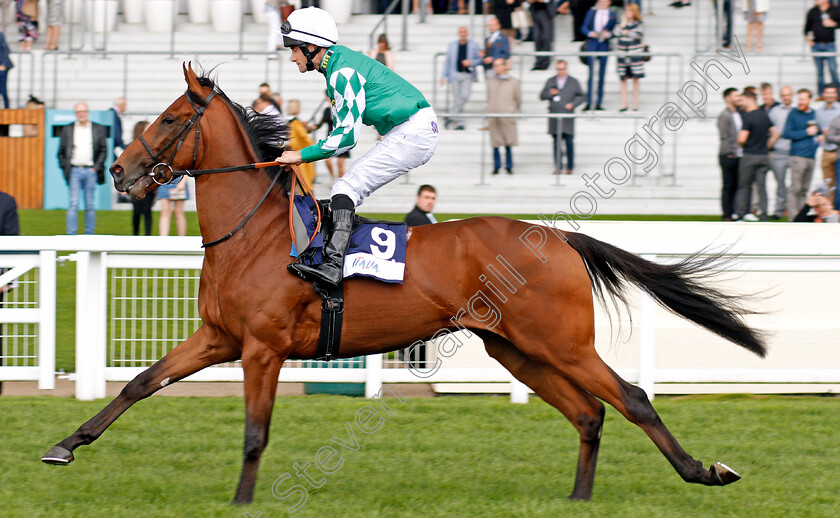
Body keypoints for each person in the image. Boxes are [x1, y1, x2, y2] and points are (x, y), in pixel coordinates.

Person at [276, 7, 438, 286]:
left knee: (346, 187)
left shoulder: (342, 72)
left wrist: (301, 155)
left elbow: (346, 138)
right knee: (345, 188)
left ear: (312, 45)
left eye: (294, 49)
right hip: (410, 128)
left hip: (414, 131)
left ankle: (333, 266)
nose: (292, 57)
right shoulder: (338, 65)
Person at [58, 102, 107, 235]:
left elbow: (103, 150)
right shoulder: (68, 129)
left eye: (83, 111)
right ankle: (71, 235)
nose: (81, 114)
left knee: (89, 204)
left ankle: (89, 235)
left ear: (87, 112)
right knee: (73, 203)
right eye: (78, 112)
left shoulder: (98, 128)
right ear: (75, 113)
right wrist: (65, 167)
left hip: (91, 170)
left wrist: (96, 168)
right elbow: (61, 151)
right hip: (74, 170)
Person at [734, 89, 779, 221]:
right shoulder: (764, 115)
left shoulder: (748, 116)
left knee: (744, 186)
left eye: (742, 100)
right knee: (762, 187)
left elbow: (742, 138)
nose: (741, 103)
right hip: (763, 156)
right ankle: (764, 214)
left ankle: (741, 214)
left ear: (750, 99)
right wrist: (766, 146)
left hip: (749, 155)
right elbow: (775, 133)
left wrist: (745, 145)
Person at [540, 59, 586, 175]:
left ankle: (570, 167)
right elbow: (542, 95)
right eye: (558, 69)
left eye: (562, 69)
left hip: (567, 116)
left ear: (566, 69)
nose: (560, 71)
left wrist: (573, 104)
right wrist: (550, 93)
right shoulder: (551, 81)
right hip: (555, 116)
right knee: (556, 143)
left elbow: (582, 96)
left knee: (569, 142)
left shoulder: (573, 82)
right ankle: (558, 166)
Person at [783, 88, 821, 219]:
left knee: (804, 189)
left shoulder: (815, 114)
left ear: (810, 100)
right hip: (797, 156)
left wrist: (820, 136)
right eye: (799, 99)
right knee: (795, 189)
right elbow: (786, 133)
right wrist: (806, 132)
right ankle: (793, 219)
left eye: (803, 99)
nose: (801, 102)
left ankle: (801, 217)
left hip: (811, 157)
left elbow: (819, 131)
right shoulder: (793, 114)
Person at [440, 25, 480, 130]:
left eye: (464, 32)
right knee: (458, 98)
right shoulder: (452, 45)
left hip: (467, 74)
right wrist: (444, 75)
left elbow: (479, 59)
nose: (463, 34)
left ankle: (450, 115)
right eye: (461, 32)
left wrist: (471, 62)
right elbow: (448, 61)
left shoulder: (474, 45)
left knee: (464, 97)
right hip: (455, 74)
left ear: (467, 33)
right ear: (459, 33)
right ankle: (460, 122)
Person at [487, 57, 521, 175]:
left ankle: (509, 166)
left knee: (508, 142)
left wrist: (510, 109)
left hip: (507, 115)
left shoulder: (513, 81)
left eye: (498, 65)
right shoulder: (490, 81)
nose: (495, 68)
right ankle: (496, 166)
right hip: (494, 115)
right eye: (494, 65)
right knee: (495, 142)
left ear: (504, 66)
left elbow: (518, 99)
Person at [581, 0, 616, 111]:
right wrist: (591, 33)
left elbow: (615, 30)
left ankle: (599, 102)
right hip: (592, 44)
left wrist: (609, 34)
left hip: (604, 45)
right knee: (591, 74)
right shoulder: (591, 13)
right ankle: (589, 101)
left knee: (601, 74)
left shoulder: (612, 15)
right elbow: (584, 27)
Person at [311, 91, 351, 184]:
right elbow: (320, 124)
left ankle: (341, 183)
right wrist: (309, 128)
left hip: (342, 138)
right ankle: (333, 178)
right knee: (328, 160)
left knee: (340, 165)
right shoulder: (327, 110)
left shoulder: (341, 109)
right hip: (331, 138)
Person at [767, 85, 794, 219]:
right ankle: (778, 210)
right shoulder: (774, 111)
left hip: (795, 151)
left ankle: (792, 209)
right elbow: (768, 128)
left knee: (795, 184)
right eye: (783, 95)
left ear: (792, 95)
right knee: (780, 183)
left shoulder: (796, 110)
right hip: (779, 151)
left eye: (788, 95)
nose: (786, 98)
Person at [613, 3, 645, 112]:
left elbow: (637, 35)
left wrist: (626, 32)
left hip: (635, 55)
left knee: (636, 79)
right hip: (622, 54)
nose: (628, 13)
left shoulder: (639, 24)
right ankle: (624, 104)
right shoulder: (621, 23)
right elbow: (616, 33)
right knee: (623, 79)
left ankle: (635, 104)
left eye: (630, 11)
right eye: (626, 11)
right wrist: (623, 25)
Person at [718, 87, 743, 221]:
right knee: (728, 185)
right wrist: (730, 153)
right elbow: (725, 137)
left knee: (737, 185)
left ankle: (735, 212)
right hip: (728, 154)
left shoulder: (739, 113)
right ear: (728, 98)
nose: (738, 98)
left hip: (739, 154)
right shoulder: (725, 115)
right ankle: (727, 214)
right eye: (735, 96)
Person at [805, 0, 840, 96]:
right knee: (819, 72)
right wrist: (810, 42)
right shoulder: (813, 11)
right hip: (816, 45)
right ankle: (821, 94)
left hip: (829, 44)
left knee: (833, 69)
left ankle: (838, 93)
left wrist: (833, 24)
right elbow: (806, 29)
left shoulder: (834, 10)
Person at [128, 121, 157, 235]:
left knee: (147, 210)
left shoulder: (153, 146)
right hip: (135, 184)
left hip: (148, 183)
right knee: (136, 211)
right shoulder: (132, 146)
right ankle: (135, 235)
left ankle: (147, 236)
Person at [285, 99, 316, 187]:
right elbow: (305, 138)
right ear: (297, 109)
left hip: (290, 152)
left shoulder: (288, 122)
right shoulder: (296, 123)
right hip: (299, 153)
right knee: (305, 180)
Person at [815, 83, 840, 188]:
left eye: (832, 93)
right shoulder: (818, 111)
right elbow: (817, 129)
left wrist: (830, 134)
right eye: (827, 93)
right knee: (828, 185)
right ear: (823, 94)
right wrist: (820, 133)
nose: (830, 95)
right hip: (826, 151)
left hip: (838, 150)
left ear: (836, 94)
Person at [530, 0, 555, 70]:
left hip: (546, 12)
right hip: (536, 12)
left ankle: (545, 62)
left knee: (546, 38)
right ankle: (538, 62)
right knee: (536, 38)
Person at [0, 30, 12, 109]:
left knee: (3, 90)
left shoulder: (0, 35)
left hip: (2, 67)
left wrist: (3, 64)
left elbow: (5, 50)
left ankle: (6, 109)